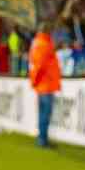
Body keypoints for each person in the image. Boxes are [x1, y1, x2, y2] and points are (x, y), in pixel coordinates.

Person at [28, 20, 61, 148]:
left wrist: (34, 82)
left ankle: (42, 138)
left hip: (42, 85)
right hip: (46, 85)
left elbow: (35, 65)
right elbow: (40, 65)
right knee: (45, 114)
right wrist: (36, 81)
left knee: (42, 114)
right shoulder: (44, 44)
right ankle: (43, 140)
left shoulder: (37, 43)